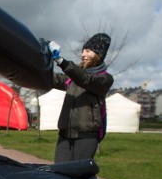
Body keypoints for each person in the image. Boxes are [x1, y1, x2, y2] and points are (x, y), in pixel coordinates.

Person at [47, 33, 114, 163]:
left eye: (88, 51)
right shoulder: (73, 76)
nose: (83, 55)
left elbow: (86, 80)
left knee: (79, 176)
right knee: (59, 174)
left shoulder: (104, 79)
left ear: (98, 54)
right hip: (65, 135)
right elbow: (52, 79)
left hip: (86, 137)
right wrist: (41, 60)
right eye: (83, 51)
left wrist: (61, 61)